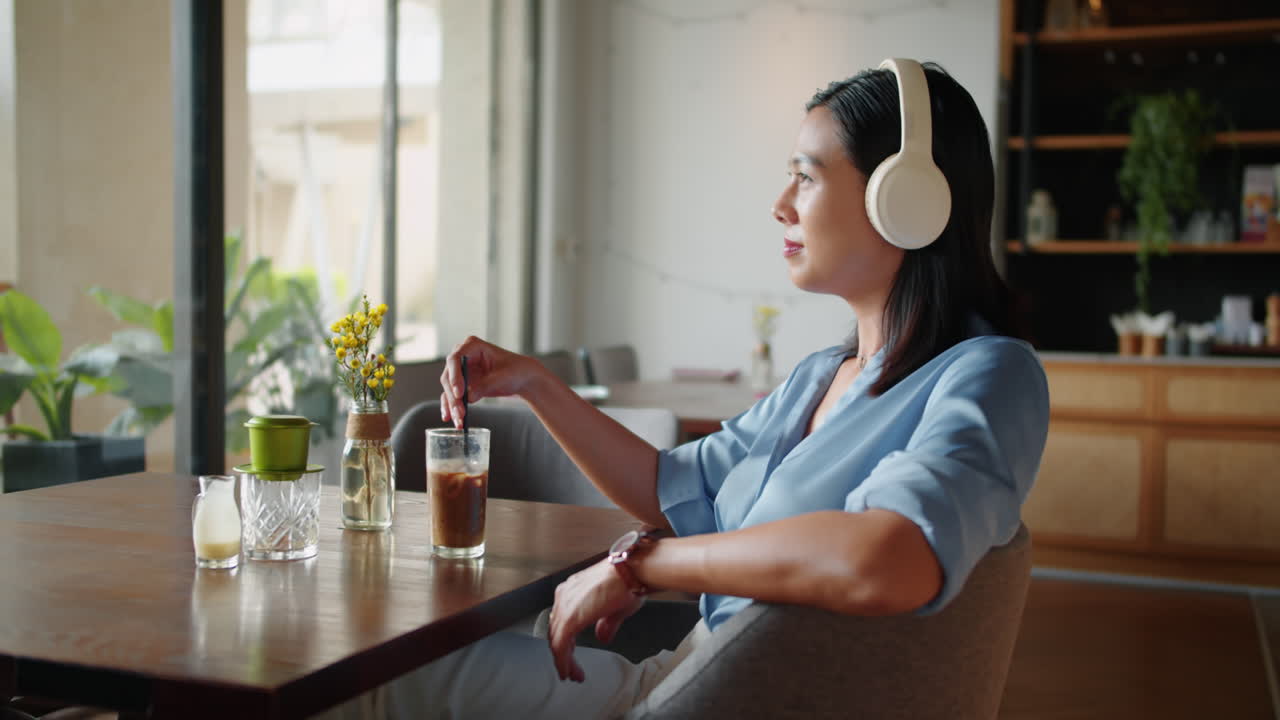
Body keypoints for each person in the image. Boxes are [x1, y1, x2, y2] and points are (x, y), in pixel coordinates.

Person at [322, 58, 1049, 720]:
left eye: (807, 176)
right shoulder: (818, 380)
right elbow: (663, 484)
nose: (781, 204)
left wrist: (640, 567)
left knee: (364, 684)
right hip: (698, 674)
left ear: (907, 200)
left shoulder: (988, 374)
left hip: (723, 696)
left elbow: (890, 557)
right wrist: (536, 384)